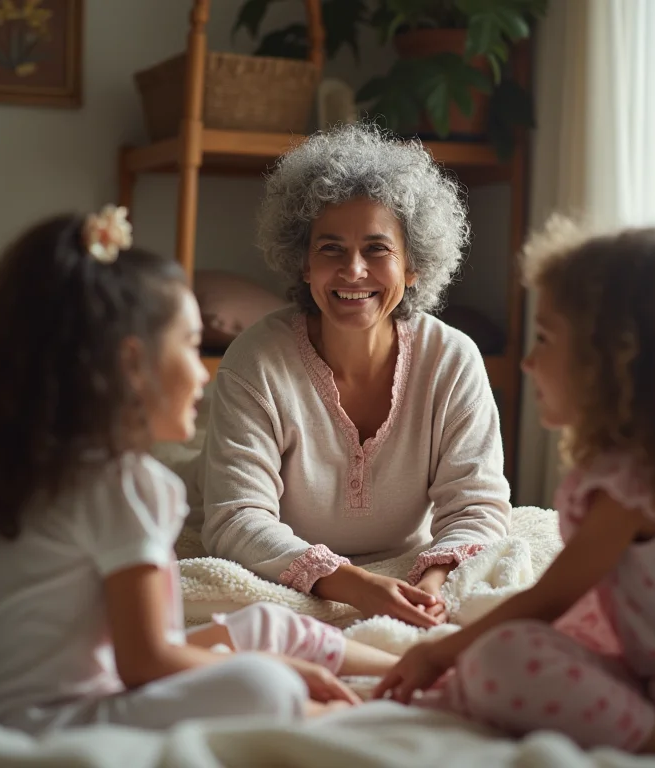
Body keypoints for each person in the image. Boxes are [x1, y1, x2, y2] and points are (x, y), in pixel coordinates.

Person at [0, 207, 397, 735]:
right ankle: (338, 715)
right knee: (268, 684)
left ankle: (404, 670)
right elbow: (144, 662)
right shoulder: (129, 484)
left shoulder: (36, 468)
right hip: (57, 721)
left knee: (266, 623)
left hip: (12, 702)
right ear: (131, 364)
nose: (201, 373)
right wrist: (273, 669)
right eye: (192, 347)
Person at [373, 218, 655, 754]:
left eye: (544, 338)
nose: (527, 361)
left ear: (615, 360)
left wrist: (438, 654)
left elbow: (551, 597)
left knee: (497, 660)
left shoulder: (632, 483)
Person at [199, 123, 511, 628]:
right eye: (330, 249)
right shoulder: (255, 361)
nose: (354, 271)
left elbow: (476, 506)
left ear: (413, 265)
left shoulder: (452, 360)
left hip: (410, 570)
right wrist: (356, 586)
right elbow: (236, 519)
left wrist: (429, 586)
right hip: (290, 578)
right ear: (302, 262)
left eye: (377, 249)